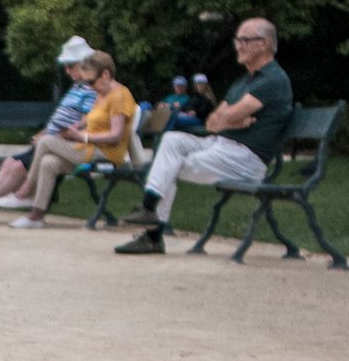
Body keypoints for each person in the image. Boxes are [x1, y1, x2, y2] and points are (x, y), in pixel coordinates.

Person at [116, 18, 294, 255]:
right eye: (237, 40)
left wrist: (230, 118)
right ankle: (149, 212)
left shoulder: (272, 79)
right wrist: (231, 119)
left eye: (244, 40)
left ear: (264, 44)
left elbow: (229, 114)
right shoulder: (245, 81)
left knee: (169, 165)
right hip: (221, 145)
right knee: (172, 140)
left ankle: (152, 232)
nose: (238, 45)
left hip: (245, 159)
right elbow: (212, 122)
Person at [0, 35, 99, 223]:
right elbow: (62, 119)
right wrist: (44, 133)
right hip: (49, 141)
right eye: (66, 66)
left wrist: (53, 135)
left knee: (17, 166)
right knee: (10, 163)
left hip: (61, 144)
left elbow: (85, 123)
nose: (67, 70)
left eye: (70, 66)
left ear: (84, 64)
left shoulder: (92, 90)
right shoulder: (78, 88)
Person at [4, 51, 135, 229]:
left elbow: (116, 135)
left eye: (91, 82)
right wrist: (75, 129)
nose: (90, 86)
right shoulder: (102, 93)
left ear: (105, 75)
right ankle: (36, 216)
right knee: (49, 163)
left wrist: (82, 136)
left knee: (45, 141)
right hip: (89, 147)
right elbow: (90, 119)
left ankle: (26, 190)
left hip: (105, 154)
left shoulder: (119, 96)